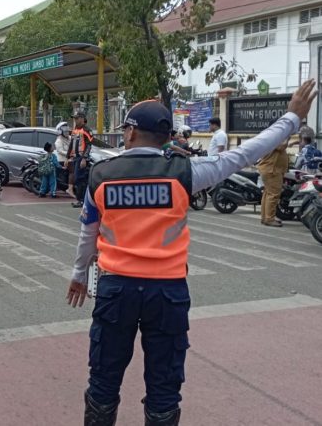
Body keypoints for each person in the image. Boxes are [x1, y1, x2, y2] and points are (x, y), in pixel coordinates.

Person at [66, 80, 317, 426]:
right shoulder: (186, 173)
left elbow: (87, 235)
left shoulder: (100, 176)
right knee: (164, 388)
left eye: (125, 127)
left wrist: (79, 275)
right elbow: (243, 154)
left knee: (104, 381)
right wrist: (291, 118)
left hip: (116, 292)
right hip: (167, 293)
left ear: (133, 132)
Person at [257, 121, 290, 227]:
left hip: (270, 169)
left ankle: (265, 217)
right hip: (272, 170)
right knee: (273, 195)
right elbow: (282, 146)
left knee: (268, 194)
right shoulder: (273, 137)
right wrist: (288, 136)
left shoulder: (269, 136)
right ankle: (269, 219)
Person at [67, 111, 94, 207]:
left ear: (82, 119)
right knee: (77, 179)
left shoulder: (87, 130)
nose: (75, 120)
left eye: (77, 118)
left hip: (81, 158)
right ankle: (80, 200)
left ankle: (83, 200)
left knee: (80, 179)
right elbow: (71, 144)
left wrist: (84, 158)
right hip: (75, 158)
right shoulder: (75, 130)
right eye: (74, 118)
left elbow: (89, 145)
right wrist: (68, 157)